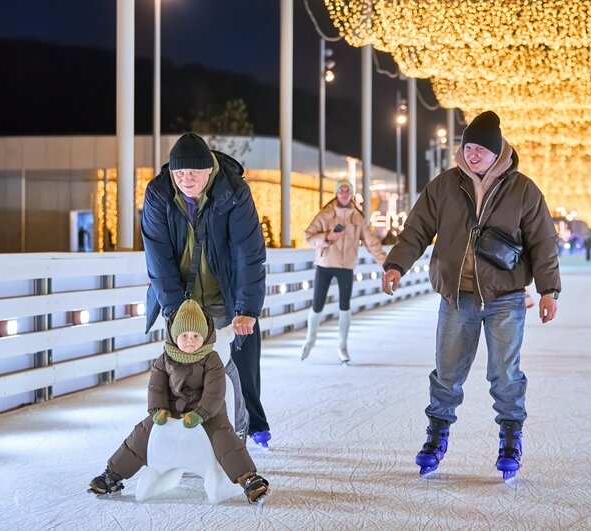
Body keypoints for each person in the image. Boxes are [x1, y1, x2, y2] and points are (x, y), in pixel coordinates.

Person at [380, 110, 561, 480]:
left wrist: (548, 290)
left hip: (505, 295)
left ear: (497, 152)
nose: (472, 154)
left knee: (505, 374)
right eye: (468, 147)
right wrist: (396, 264)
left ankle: (510, 441)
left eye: (480, 149)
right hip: (457, 296)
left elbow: (543, 241)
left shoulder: (523, 190)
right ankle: (436, 437)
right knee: (447, 373)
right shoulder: (445, 185)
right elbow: (417, 228)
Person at [141, 132, 271, 448]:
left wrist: (246, 309)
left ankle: (244, 430)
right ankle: (187, 440)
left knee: (236, 365)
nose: (186, 180)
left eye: (193, 173)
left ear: (209, 169)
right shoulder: (159, 193)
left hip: (225, 293)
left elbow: (248, 252)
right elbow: (158, 257)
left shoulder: (233, 191)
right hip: (181, 298)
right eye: (179, 173)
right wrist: (175, 310)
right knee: (182, 372)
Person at [88, 300, 270, 503]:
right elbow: (156, 388)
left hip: (209, 413)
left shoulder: (212, 360)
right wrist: (158, 409)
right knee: (141, 433)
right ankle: (112, 475)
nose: (190, 340)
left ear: (205, 336)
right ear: (175, 336)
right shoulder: (164, 359)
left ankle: (248, 478)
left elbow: (215, 393)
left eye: (196, 336)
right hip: (172, 410)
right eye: (184, 335)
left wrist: (200, 414)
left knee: (224, 438)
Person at [302, 179, 388, 363]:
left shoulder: (357, 218)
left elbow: (372, 243)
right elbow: (309, 236)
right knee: (317, 304)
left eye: (347, 190)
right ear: (336, 193)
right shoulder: (326, 213)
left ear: (351, 194)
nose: (343, 193)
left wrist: (386, 265)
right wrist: (327, 236)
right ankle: (310, 340)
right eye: (340, 190)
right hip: (325, 264)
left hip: (346, 266)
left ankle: (342, 346)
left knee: (345, 306)